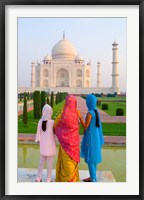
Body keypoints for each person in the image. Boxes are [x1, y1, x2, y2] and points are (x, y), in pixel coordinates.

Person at [78, 94, 104, 182]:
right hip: (95, 137)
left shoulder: (90, 113)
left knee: (90, 159)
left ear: (89, 102)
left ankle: (93, 179)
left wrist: (80, 117)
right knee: (93, 159)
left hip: (91, 138)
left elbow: (85, 126)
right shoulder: (96, 111)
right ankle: (92, 176)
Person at [54, 95, 80, 182]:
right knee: (72, 162)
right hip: (74, 145)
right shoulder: (76, 114)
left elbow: (55, 126)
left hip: (65, 145)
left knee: (66, 164)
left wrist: (61, 133)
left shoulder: (63, 115)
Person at [35, 104, 56, 182]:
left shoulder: (40, 122)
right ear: (50, 112)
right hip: (50, 147)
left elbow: (38, 134)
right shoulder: (52, 122)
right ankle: (48, 179)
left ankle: (38, 177)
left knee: (41, 162)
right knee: (49, 164)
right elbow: (56, 133)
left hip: (43, 146)